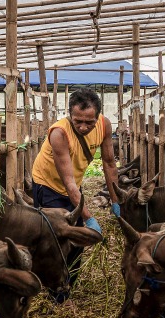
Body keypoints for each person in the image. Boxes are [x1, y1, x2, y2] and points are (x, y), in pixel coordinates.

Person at [31, 88, 120, 302]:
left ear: (98, 116)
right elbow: (68, 184)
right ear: (70, 114)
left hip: (74, 183)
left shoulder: (105, 125)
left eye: (89, 122)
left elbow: (108, 163)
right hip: (49, 184)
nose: (83, 127)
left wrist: (117, 200)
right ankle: (54, 292)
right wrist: (89, 218)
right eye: (78, 120)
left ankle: (67, 285)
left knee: (77, 241)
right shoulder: (59, 133)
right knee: (55, 240)